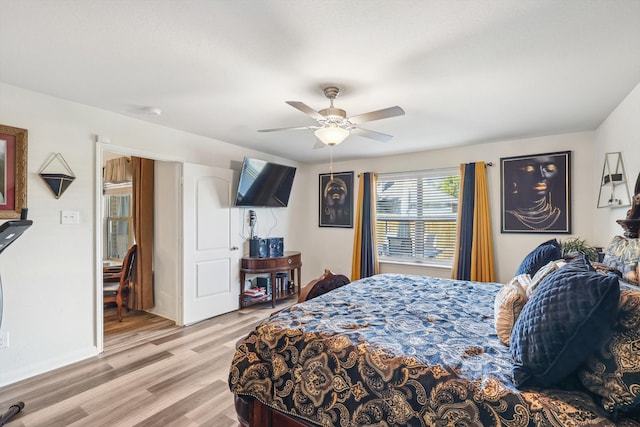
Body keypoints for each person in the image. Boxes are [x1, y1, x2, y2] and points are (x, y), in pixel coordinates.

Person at [503, 154, 567, 231]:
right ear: (514, 176)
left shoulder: (562, 216)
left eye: (549, 168)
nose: (541, 176)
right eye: (528, 169)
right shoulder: (506, 218)